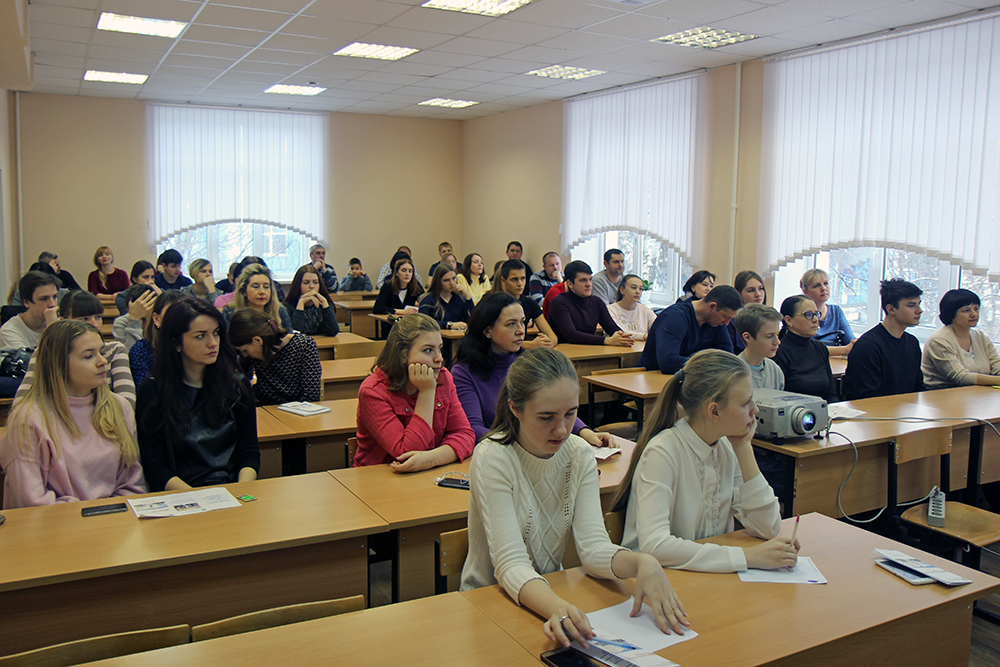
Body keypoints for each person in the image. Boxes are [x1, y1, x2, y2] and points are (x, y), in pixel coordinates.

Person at [460, 347, 688, 646]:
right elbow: (511, 564)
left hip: (546, 595)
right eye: (546, 417)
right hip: (490, 600)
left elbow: (593, 547)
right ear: (514, 408)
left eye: (571, 413)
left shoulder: (579, 454)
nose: (562, 429)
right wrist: (556, 606)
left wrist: (641, 563)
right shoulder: (494, 457)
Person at [612, 349, 794, 573]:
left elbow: (768, 527)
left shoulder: (727, 446)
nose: (755, 410)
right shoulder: (662, 452)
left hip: (704, 575)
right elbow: (655, 546)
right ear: (714, 411)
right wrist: (746, 557)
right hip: (656, 579)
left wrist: (744, 448)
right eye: (746, 403)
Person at [0, 320, 146, 508]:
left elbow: (133, 484)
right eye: (89, 356)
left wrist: (111, 513)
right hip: (56, 521)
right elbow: (30, 500)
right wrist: (88, 513)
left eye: (101, 353)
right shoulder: (28, 419)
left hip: (115, 517)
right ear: (59, 364)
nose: (103, 361)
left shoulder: (119, 407)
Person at [453, 293, 611, 446]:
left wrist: (586, 432)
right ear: (487, 331)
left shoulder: (529, 363)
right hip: (501, 450)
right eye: (511, 324)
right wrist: (518, 445)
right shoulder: (464, 372)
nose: (521, 330)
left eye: (522, 322)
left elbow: (558, 408)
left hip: (541, 445)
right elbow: (474, 428)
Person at [136, 298, 259, 491]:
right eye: (200, 336)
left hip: (233, 489)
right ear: (176, 343)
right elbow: (155, 465)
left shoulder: (237, 385)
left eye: (216, 333)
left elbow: (249, 453)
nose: (213, 343)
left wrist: (240, 491)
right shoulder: (152, 390)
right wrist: (197, 498)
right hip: (181, 494)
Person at [353, 313, 475, 471]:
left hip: (427, 473)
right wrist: (427, 392)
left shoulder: (443, 378)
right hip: (378, 477)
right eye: (428, 350)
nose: (439, 358)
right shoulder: (373, 391)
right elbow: (406, 452)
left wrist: (431, 458)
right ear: (403, 355)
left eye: (439, 349)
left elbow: (465, 435)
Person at [16, 291, 136, 409]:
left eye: (98, 317)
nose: (95, 324)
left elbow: (127, 404)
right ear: (64, 321)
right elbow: (20, 404)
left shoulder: (115, 350)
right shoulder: (45, 352)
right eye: (85, 319)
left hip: (105, 418)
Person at [842, 279, 925, 400]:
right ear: (891, 309)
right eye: (911, 305)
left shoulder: (912, 342)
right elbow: (866, 396)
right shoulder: (868, 346)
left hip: (905, 408)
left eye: (919, 304)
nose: (919, 310)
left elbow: (918, 388)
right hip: (873, 409)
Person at [228, 309, 322, 405]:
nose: (244, 355)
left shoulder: (304, 345)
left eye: (245, 350)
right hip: (264, 408)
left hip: (297, 410)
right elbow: (240, 382)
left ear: (258, 340)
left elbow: (311, 397)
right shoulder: (253, 351)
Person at [640, 285, 740, 374]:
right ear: (712, 306)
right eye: (726, 317)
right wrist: (710, 365)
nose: (727, 323)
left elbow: (727, 357)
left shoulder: (716, 321)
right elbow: (668, 363)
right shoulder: (674, 318)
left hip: (690, 379)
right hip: (652, 379)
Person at [922, 289, 1000, 388]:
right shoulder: (939, 340)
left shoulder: (981, 337)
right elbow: (960, 377)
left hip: (976, 392)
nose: (974, 314)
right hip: (942, 393)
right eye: (966, 310)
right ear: (952, 314)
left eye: (976, 309)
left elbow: (996, 365)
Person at [547, 260, 631, 347]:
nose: (589, 284)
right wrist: (606, 340)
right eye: (583, 280)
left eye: (590, 279)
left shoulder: (597, 302)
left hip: (590, 349)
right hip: (564, 350)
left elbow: (612, 328)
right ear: (570, 283)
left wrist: (622, 337)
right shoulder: (559, 302)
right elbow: (571, 335)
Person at [772, 295, 838, 403]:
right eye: (809, 315)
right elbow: (777, 398)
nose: (815, 320)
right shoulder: (778, 352)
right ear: (789, 320)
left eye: (816, 314)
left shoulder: (820, 348)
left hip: (822, 409)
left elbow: (830, 394)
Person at [121, 289, 190, 386]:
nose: (178, 321)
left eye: (185, 316)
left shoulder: (198, 346)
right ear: (157, 319)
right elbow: (144, 390)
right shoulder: (141, 350)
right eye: (171, 315)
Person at [494, 259, 557, 349]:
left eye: (523, 278)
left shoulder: (529, 303)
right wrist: (530, 345)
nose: (520, 284)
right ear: (503, 281)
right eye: (514, 279)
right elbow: (494, 342)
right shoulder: (493, 303)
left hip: (523, 353)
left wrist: (548, 342)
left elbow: (552, 335)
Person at [800, 268, 855, 356]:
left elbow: (850, 341)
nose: (823, 288)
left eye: (826, 283)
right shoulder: (800, 314)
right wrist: (844, 350)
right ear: (805, 291)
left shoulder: (836, 311)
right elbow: (805, 349)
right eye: (816, 285)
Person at [223, 263, 292, 331]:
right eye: (255, 287)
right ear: (244, 290)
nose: (262, 292)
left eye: (266, 287)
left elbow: (289, 336)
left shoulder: (279, 310)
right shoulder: (230, 313)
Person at [0, 271, 60, 348]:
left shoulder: (61, 322)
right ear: (26, 302)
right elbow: (50, 353)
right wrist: (52, 328)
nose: (52, 304)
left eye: (55, 297)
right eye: (44, 299)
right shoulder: (9, 331)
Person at [734, 304, 784, 391]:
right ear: (747, 337)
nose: (777, 342)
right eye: (769, 336)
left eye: (777, 334)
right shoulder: (733, 372)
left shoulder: (775, 370)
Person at [283, 264, 340, 337]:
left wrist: (325, 305)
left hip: (322, 343)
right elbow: (294, 335)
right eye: (306, 283)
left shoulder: (325, 303)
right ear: (298, 285)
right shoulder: (287, 307)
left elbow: (333, 332)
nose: (311, 286)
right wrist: (301, 304)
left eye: (315, 282)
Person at [373, 257, 424, 334]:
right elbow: (377, 308)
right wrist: (403, 312)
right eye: (404, 270)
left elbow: (426, 303)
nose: (407, 274)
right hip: (391, 326)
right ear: (397, 273)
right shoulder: (387, 286)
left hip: (410, 326)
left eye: (410, 271)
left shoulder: (416, 286)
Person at [418, 265, 474, 331]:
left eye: (454, 278)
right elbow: (423, 322)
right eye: (446, 280)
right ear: (438, 282)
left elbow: (473, 320)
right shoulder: (428, 299)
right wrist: (448, 325)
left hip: (457, 336)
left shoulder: (459, 298)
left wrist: (468, 297)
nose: (452, 283)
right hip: (435, 335)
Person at [727, 269, 767, 353]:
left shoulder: (768, 319)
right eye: (751, 290)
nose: (758, 294)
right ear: (739, 293)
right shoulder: (731, 321)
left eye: (760, 289)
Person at [607, 274, 656, 341]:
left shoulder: (646, 310)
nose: (638, 292)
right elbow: (618, 332)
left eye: (640, 289)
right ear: (622, 290)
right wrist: (644, 336)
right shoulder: (610, 310)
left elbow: (658, 328)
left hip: (642, 347)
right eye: (634, 288)